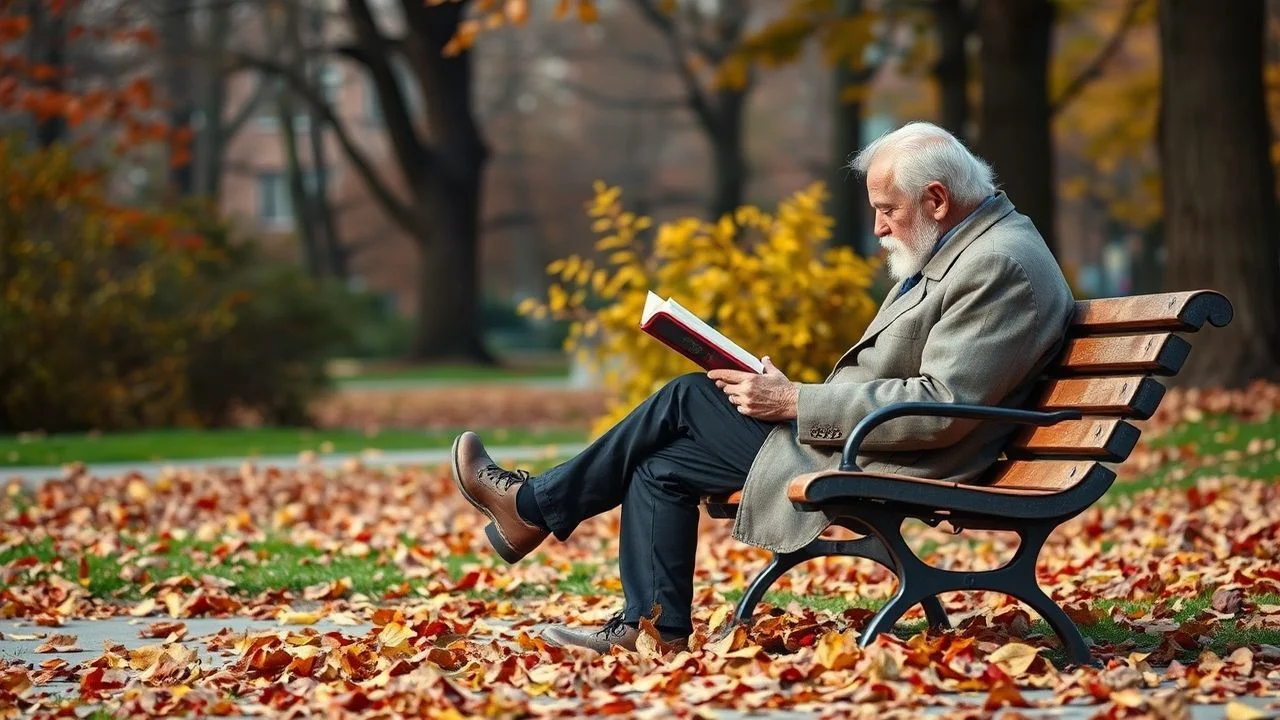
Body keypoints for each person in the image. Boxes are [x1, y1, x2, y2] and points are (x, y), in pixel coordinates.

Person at [449, 121, 1075, 653]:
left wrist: (796, 401)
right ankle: (651, 630)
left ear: (937, 199)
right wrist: (787, 391)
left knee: (688, 398)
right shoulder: (965, 248)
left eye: (887, 210)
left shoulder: (998, 264)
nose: (880, 228)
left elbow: (941, 409)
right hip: (873, 435)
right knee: (663, 464)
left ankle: (531, 509)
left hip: (906, 453)